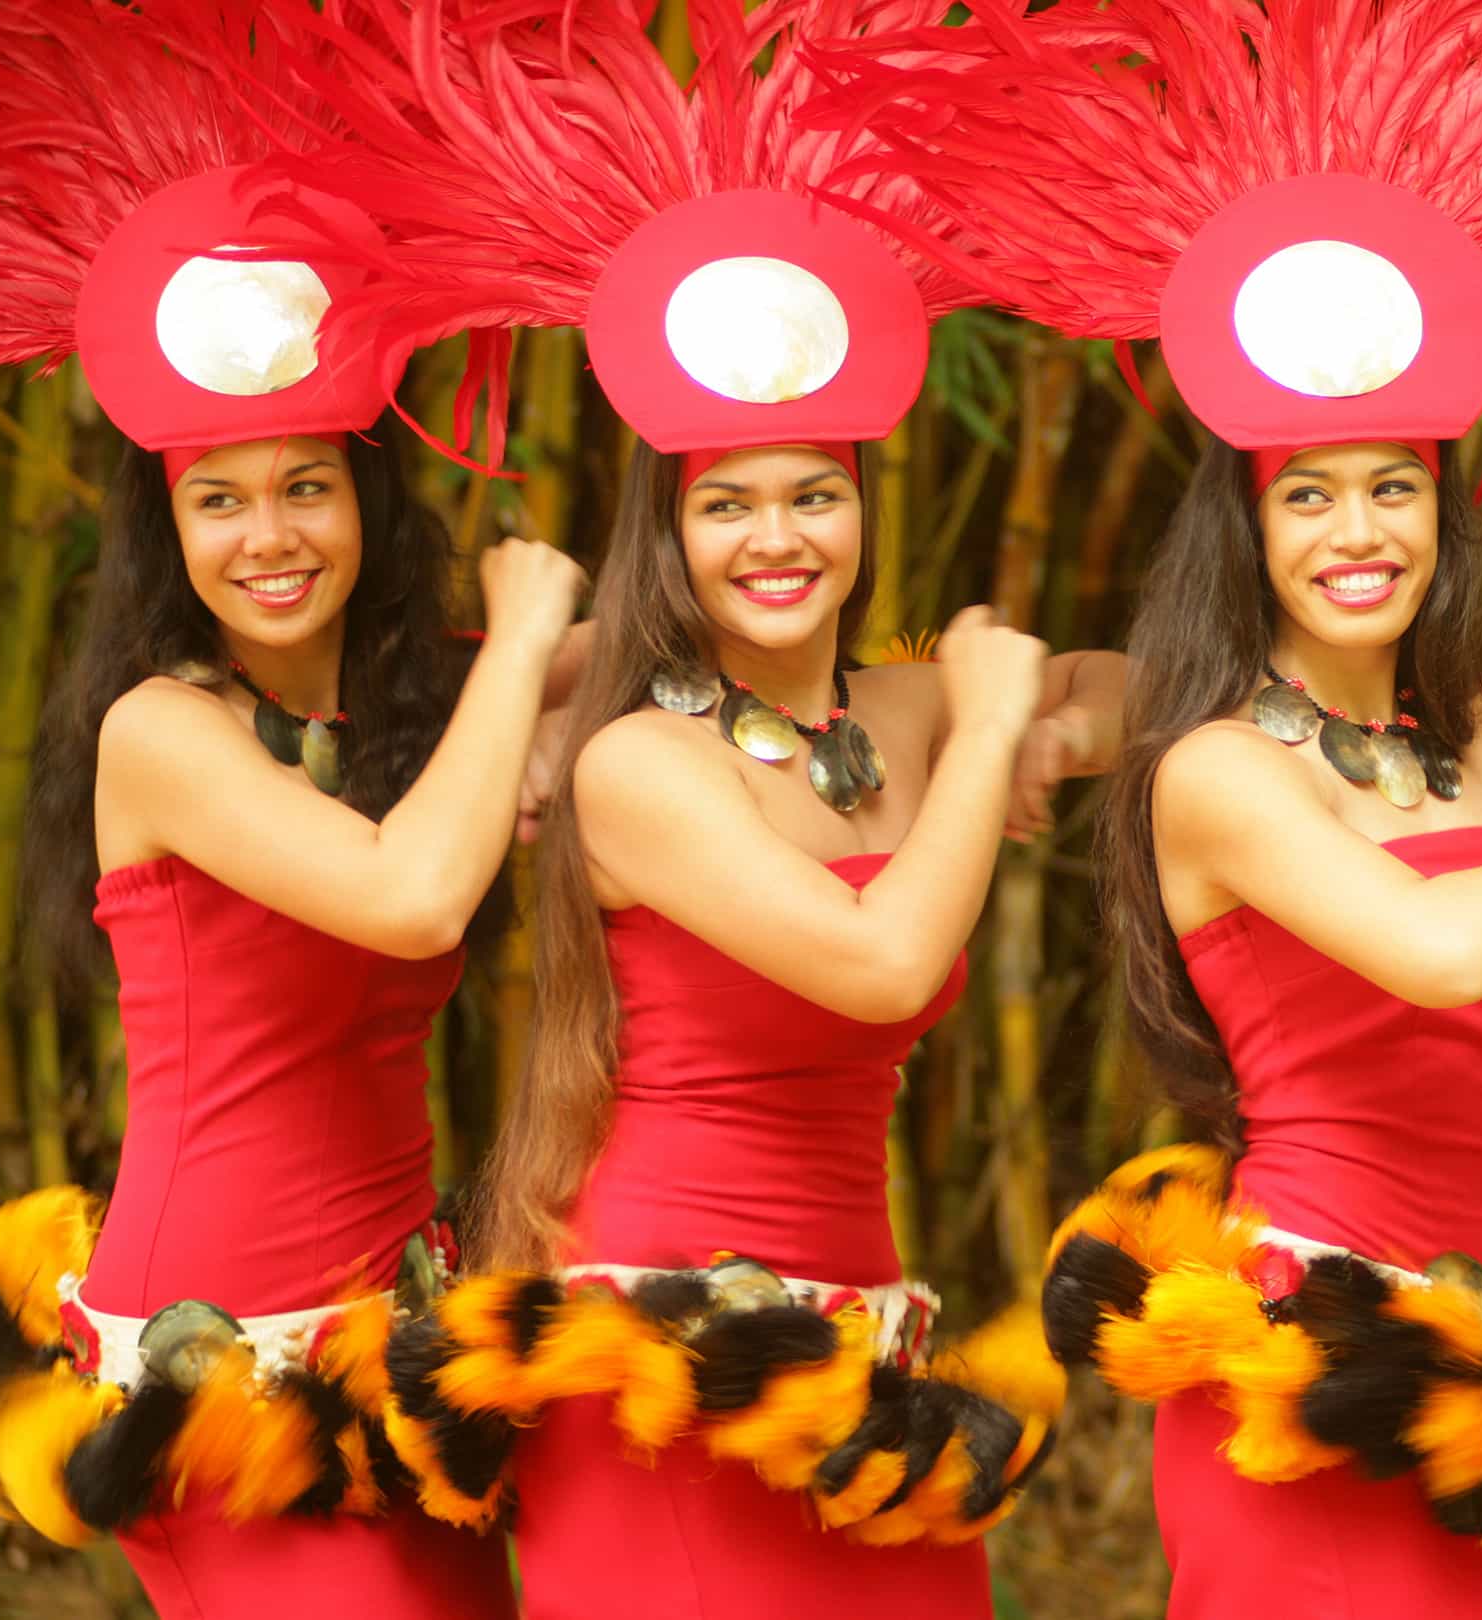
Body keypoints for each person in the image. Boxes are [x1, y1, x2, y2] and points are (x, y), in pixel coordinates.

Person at [829, 2, 1482, 1612]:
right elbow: (1439, 952)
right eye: (1308, 495)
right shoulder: (1219, 770)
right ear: (1251, 526)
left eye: (1393, 487)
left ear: (1443, 509)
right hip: (1304, 1372)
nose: (1356, 529)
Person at [268, 4, 1104, 1614]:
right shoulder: (639, 766)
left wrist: (1038, 689)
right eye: (726, 504)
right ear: (671, 528)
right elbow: (883, 969)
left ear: (863, 508)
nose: (774, 537)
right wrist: (999, 725)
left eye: (814, 493)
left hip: (855, 1352)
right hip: (657, 1357)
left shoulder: (904, 705)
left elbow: (1160, 696)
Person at [0, 2, 588, 1614]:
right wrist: (534, 635)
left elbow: (677, 646)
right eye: (218, 500)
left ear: (365, 496)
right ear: (167, 529)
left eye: (304, 485)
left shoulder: (409, 708)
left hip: (396, 1328)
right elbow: (416, 895)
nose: (267, 536)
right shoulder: (164, 733)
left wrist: (934, 683)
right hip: (226, 1355)